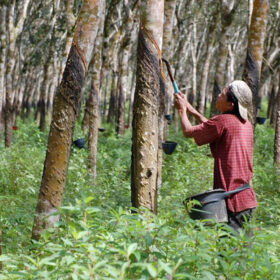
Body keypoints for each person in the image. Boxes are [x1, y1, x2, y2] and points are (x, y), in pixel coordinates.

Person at [174, 80, 257, 231]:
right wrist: (190, 109)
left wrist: (181, 110)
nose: (218, 95)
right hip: (247, 199)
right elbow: (212, 127)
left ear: (231, 104)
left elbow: (188, 131)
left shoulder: (222, 121)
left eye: (223, 94)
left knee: (229, 252)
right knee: (243, 249)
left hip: (233, 202)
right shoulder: (246, 124)